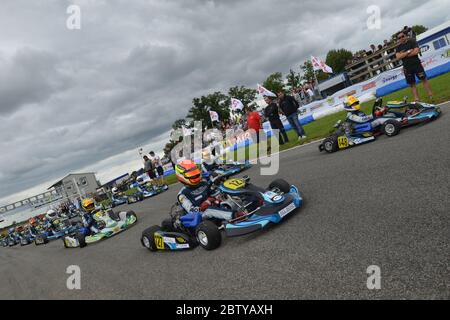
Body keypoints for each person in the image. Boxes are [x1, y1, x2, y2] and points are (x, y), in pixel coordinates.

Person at [175, 160, 243, 221]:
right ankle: (236, 215)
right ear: (181, 176)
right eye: (192, 175)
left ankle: (246, 204)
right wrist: (203, 206)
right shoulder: (182, 194)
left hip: (214, 205)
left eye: (196, 174)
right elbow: (191, 211)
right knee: (210, 210)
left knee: (226, 192)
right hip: (201, 215)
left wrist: (218, 193)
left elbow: (213, 193)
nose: (195, 176)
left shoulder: (203, 182)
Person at [396, 31, 433, 102]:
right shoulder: (398, 47)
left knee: (423, 79)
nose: (401, 38)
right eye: (399, 37)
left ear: (405, 36)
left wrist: (403, 55)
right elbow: (398, 57)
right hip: (407, 68)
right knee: (412, 84)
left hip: (416, 65)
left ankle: (430, 95)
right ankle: (417, 99)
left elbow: (416, 52)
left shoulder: (412, 42)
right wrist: (408, 52)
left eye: (402, 36)